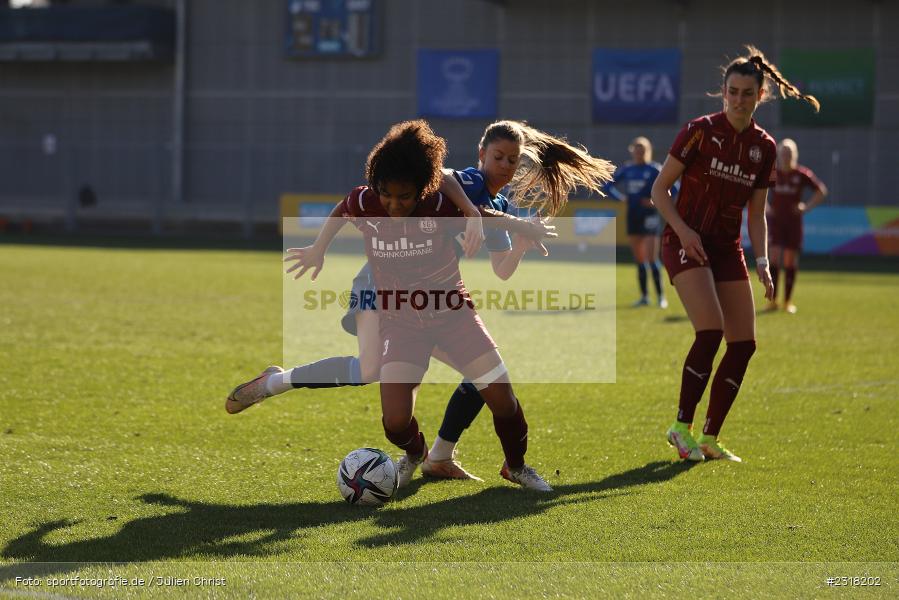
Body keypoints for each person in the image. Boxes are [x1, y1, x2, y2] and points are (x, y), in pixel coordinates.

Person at [228, 120, 614, 483]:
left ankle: (439, 457)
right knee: (369, 370)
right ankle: (276, 382)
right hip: (378, 287)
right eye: (499, 156)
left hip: (429, 299)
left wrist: (521, 235)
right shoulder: (458, 183)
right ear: (482, 153)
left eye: (513, 160)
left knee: (479, 379)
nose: (506, 166)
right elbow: (440, 180)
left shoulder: (493, 207)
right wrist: (318, 248)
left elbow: (501, 269)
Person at [651, 46, 820, 463]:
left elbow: (757, 215)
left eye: (747, 93)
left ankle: (710, 437)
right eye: (732, 91)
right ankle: (681, 427)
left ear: (760, 96)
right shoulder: (698, 131)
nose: (739, 99)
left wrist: (762, 263)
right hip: (684, 240)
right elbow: (659, 191)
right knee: (710, 332)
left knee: (743, 344)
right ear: (722, 92)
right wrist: (684, 230)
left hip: (727, 248)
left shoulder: (764, 147)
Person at [603, 137, 675, 308]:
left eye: (642, 149)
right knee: (640, 259)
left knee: (652, 258)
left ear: (648, 151)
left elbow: (673, 187)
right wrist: (621, 198)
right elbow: (607, 186)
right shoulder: (627, 169)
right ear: (632, 151)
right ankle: (644, 297)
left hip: (649, 216)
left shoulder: (654, 169)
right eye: (636, 149)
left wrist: (656, 201)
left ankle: (661, 297)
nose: (639, 152)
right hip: (633, 215)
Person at [767, 138, 827, 313]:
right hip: (776, 223)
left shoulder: (801, 174)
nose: (786, 156)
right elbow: (757, 189)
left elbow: (821, 191)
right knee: (774, 257)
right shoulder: (773, 173)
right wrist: (766, 208)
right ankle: (773, 300)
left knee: (789, 260)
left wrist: (805, 207)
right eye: (783, 152)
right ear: (778, 154)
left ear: (795, 155)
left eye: (789, 153)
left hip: (793, 223)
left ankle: (787, 301)